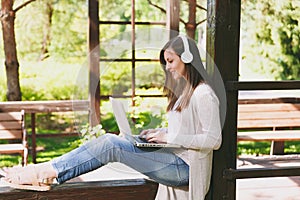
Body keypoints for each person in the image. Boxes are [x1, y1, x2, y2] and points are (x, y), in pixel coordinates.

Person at [1, 35, 223, 200]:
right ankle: (46, 169)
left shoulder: (204, 93)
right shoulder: (184, 92)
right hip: (174, 160)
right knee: (117, 141)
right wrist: (157, 135)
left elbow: (213, 140)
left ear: (187, 58)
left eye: (171, 61)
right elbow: (181, 134)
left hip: (186, 169)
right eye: (165, 61)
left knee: (111, 144)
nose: (167, 67)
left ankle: (43, 172)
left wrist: (169, 137)